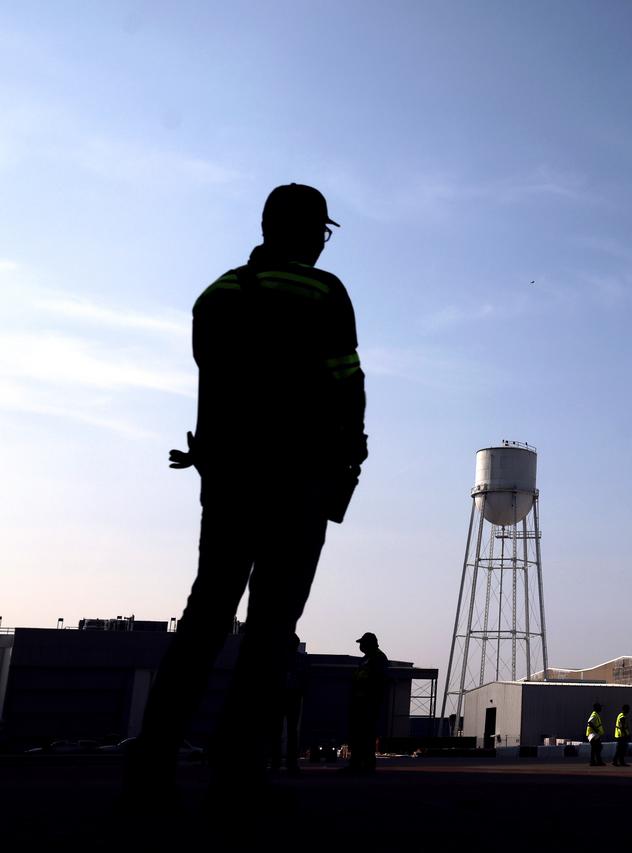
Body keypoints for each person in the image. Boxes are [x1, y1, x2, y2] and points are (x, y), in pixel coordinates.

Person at [125, 183, 366, 803]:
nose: (321, 241)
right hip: (299, 477)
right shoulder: (323, 290)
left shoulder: (218, 294)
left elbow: (217, 387)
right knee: (270, 627)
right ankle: (235, 768)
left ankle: (152, 760)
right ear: (310, 231)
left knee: (206, 616)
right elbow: (346, 381)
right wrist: (350, 451)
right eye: (321, 230)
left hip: (229, 480)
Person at [345, 633, 388, 774]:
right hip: (359, 702)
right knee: (357, 735)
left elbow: (376, 680)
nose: (360, 646)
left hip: (369, 703)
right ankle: (356, 763)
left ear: (370, 644)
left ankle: (367, 765)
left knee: (367, 735)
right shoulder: (365, 659)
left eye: (362, 643)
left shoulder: (378, 658)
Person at [270, 635, 309, 775]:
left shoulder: (279, 658)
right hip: (292, 696)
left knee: (277, 730)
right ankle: (290, 763)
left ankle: (276, 761)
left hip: (283, 696)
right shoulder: (301, 660)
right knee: (290, 731)